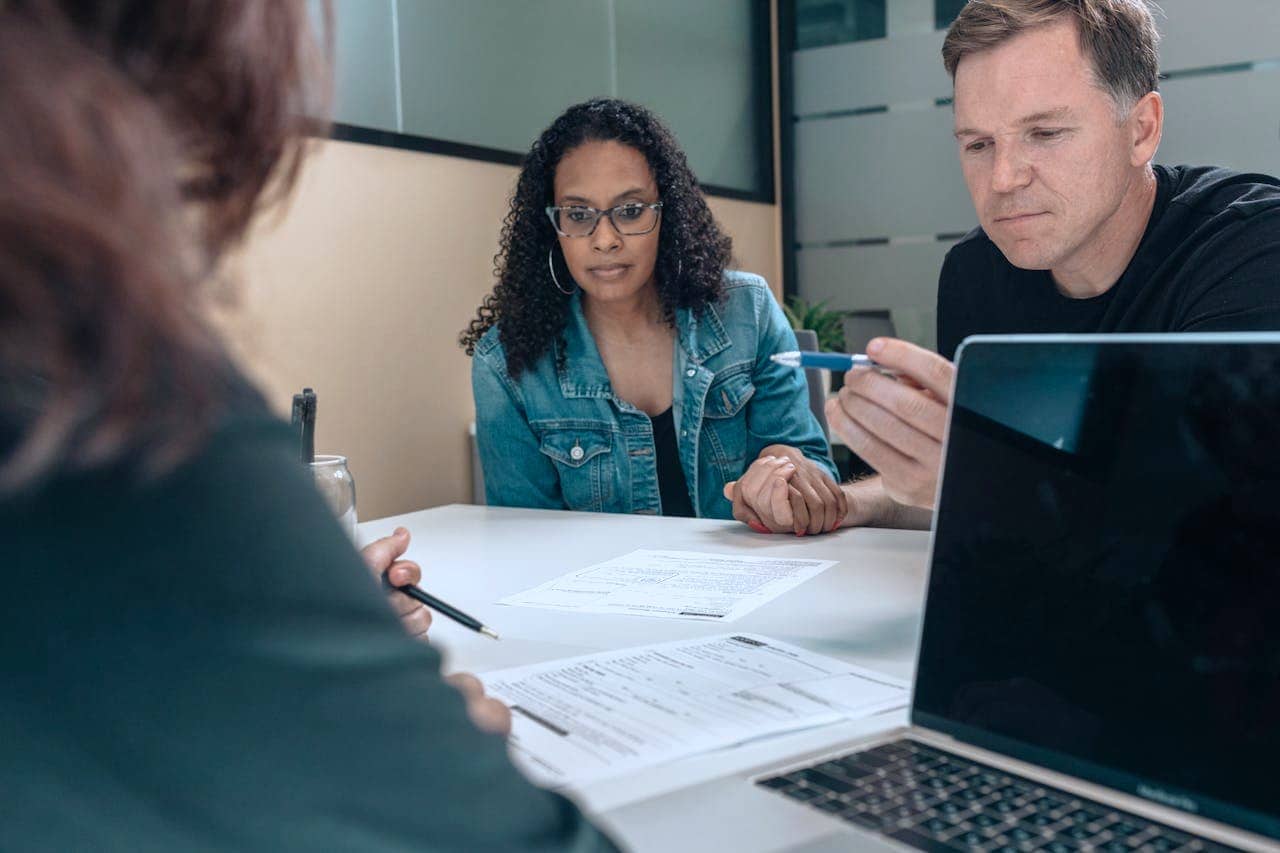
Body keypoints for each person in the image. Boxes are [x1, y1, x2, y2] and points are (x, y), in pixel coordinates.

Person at [0, 2, 615, 849]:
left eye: (630, 210)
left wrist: (292, 614)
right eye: (580, 213)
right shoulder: (120, 417)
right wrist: (375, 739)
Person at [729, 0, 1280, 533]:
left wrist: (983, 475)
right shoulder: (976, 272)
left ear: (1141, 130)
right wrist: (841, 503)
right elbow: (968, 487)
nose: (1003, 179)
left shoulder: (1250, 247)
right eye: (979, 144)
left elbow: (1225, 525)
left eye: (1045, 133)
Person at [461, 98, 845, 534]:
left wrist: (788, 469)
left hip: (749, 585)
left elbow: (812, 470)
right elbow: (521, 538)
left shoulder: (748, 311)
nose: (604, 240)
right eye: (579, 214)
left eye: (629, 211)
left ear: (669, 213)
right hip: (595, 599)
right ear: (552, 225)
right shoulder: (506, 363)